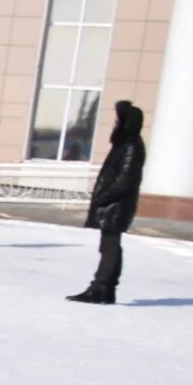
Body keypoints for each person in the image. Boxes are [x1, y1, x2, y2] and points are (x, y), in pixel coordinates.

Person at [69, 100, 145, 305]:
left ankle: (100, 287)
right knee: (109, 246)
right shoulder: (125, 144)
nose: (115, 124)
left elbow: (123, 179)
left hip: (115, 206)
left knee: (109, 247)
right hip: (114, 206)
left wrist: (104, 197)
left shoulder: (130, 146)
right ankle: (107, 288)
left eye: (118, 120)